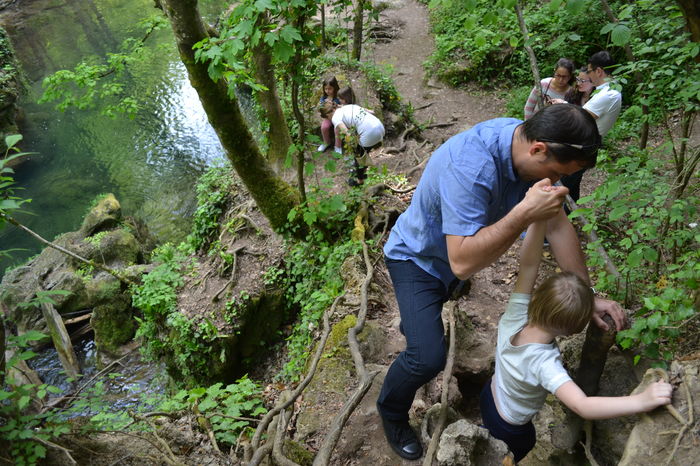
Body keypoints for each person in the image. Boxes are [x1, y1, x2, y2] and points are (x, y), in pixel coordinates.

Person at [378, 104, 625, 461]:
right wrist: (524, 212)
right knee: (427, 356)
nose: (556, 183)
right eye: (557, 174)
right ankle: (391, 413)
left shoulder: (528, 144)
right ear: (538, 149)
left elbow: (556, 224)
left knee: (427, 325)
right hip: (418, 260)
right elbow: (463, 262)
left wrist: (587, 297)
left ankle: (418, 320)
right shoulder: (470, 165)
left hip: (451, 262)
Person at [480, 220, 673, 463]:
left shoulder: (514, 315)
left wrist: (538, 220)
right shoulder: (544, 363)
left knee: (489, 441)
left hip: (489, 394)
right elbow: (582, 405)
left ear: (538, 296)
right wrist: (641, 400)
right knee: (514, 451)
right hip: (512, 426)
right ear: (573, 331)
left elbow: (528, 264)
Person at [561, 51, 622, 202]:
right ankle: (572, 218)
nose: (588, 75)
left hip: (582, 147)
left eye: (589, 71)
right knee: (572, 185)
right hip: (585, 145)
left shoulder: (607, 94)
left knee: (562, 187)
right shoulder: (609, 91)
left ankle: (556, 221)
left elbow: (580, 119)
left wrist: (562, 107)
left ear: (599, 71)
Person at [319, 101, 385, 186]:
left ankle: (359, 180)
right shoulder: (348, 106)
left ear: (327, 116)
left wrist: (353, 146)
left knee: (359, 157)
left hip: (370, 133)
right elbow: (371, 111)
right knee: (363, 152)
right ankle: (363, 170)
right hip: (379, 126)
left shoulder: (335, 118)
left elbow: (348, 134)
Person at [318, 76, 341, 152]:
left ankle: (338, 146)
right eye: (326, 89)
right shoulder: (324, 97)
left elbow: (341, 106)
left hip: (337, 117)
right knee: (324, 127)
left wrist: (335, 105)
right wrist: (322, 105)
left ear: (334, 87)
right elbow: (320, 107)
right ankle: (326, 142)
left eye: (330, 88)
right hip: (328, 117)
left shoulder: (338, 97)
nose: (327, 91)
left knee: (337, 129)